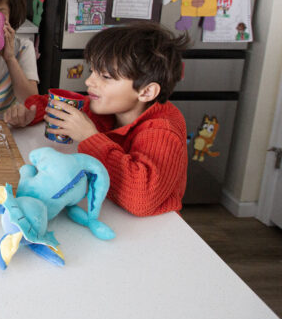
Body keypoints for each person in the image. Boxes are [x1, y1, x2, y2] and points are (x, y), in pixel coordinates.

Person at [10, 22, 190, 216]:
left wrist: (89, 138)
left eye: (105, 76)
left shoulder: (162, 130)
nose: (89, 82)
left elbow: (141, 199)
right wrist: (30, 113)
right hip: (107, 211)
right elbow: (58, 103)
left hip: (153, 232)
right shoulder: (110, 108)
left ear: (146, 92)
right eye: (92, 71)